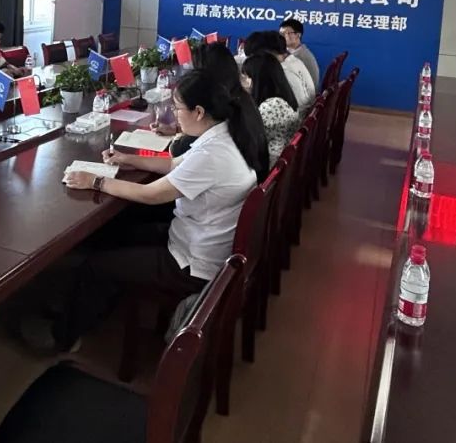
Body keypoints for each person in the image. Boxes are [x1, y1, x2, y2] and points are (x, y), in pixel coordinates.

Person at [34, 69, 261, 351]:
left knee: (97, 266)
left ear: (199, 112)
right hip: (198, 239)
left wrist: (95, 181)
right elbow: (175, 165)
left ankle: (62, 338)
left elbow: (150, 194)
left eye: (178, 108)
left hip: (192, 263)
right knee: (116, 233)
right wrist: (129, 159)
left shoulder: (212, 154)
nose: (175, 115)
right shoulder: (223, 134)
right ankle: (87, 304)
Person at [241, 52, 299, 167]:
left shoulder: (271, 106)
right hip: (281, 162)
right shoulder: (281, 97)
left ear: (258, 79)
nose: (244, 82)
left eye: (247, 77)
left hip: (270, 165)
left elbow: (246, 138)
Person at [243, 30, 315, 114]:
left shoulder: (283, 71)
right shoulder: (293, 61)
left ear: (267, 53)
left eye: (256, 57)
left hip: (299, 115)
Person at [279, 18, 320, 89]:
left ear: (298, 35)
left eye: (286, 33)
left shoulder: (300, 56)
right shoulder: (295, 51)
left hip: (305, 94)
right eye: (281, 34)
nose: (282, 37)